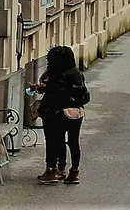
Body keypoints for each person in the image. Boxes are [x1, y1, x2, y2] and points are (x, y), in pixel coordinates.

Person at [33, 45, 90, 185]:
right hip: (77, 112)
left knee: (54, 141)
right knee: (73, 142)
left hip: (59, 112)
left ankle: (51, 171)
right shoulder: (77, 73)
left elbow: (52, 96)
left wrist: (38, 112)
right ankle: (74, 172)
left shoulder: (58, 73)